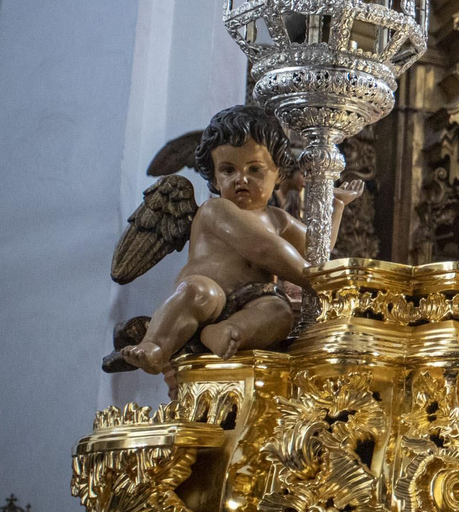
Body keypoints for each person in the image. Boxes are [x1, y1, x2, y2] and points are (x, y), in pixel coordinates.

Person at [118, 106, 362, 372]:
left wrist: (336, 207)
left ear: (278, 173)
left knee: (278, 313)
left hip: (252, 298)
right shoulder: (216, 210)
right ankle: (155, 346)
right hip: (210, 293)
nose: (240, 179)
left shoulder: (277, 219)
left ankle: (226, 332)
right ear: (213, 177)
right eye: (228, 170)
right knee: (198, 293)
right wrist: (321, 285)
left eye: (255, 169)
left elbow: (318, 248)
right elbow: (265, 249)